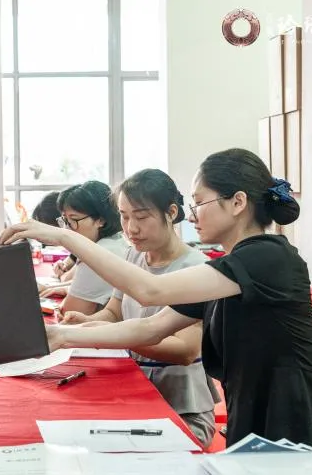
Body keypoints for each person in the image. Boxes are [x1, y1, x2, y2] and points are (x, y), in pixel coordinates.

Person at [0, 148, 312, 450]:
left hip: (293, 426)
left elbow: (150, 291)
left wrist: (67, 238)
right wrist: (62, 335)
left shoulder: (269, 257)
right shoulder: (230, 269)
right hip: (253, 416)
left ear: (238, 202)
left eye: (199, 202)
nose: (191, 214)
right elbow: (150, 328)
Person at [60, 170, 219, 448]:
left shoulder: (197, 268)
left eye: (141, 217)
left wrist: (111, 334)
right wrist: (88, 321)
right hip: (135, 393)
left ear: (171, 213)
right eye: (124, 216)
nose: (131, 228)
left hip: (181, 410)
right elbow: (114, 312)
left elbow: (184, 350)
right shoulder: (134, 254)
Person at [42, 181, 128, 315]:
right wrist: (66, 289)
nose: (67, 229)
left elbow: (70, 313)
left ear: (101, 220)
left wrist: (63, 302)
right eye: (65, 221)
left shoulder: (97, 255)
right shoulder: (114, 242)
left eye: (73, 220)